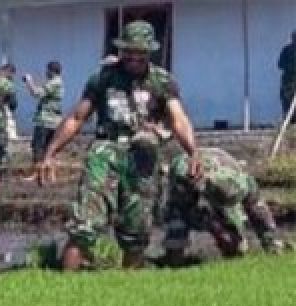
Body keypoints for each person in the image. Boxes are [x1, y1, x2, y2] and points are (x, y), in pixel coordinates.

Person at [38, 20, 202, 271]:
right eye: (130, 52)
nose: (135, 58)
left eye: (141, 52)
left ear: (150, 52)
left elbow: (179, 118)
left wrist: (193, 152)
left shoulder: (162, 81)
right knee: (85, 223)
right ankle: (63, 285)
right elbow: (76, 118)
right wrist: (49, 153)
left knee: (136, 230)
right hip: (106, 152)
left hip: (143, 158)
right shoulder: (103, 77)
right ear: (122, 50)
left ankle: (128, 286)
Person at [162, 147, 285, 263]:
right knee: (178, 220)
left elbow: (260, 213)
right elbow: (176, 212)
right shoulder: (183, 181)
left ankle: (232, 244)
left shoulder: (244, 185)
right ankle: (174, 257)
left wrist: (272, 244)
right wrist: (175, 253)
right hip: (191, 178)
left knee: (236, 249)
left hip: (219, 182)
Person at [23, 61, 63, 167]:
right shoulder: (55, 82)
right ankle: (46, 172)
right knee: (48, 147)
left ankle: (37, 172)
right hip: (53, 120)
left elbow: (36, 93)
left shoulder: (54, 82)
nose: (46, 73)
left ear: (51, 71)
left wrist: (29, 81)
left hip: (46, 120)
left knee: (38, 146)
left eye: (47, 70)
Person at [280, 32, 296, 118]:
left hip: (288, 82)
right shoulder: (286, 50)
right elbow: (280, 64)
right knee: (288, 104)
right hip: (289, 83)